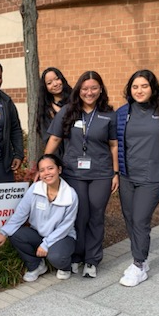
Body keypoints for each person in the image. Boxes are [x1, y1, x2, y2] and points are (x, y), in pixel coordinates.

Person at [45, 71, 118, 278]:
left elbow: (114, 145)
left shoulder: (108, 114)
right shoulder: (68, 111)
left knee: (96, 215)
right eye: (85, 88)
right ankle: (76, 256)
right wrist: (44, 167)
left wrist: (115, 172)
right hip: (73, 172)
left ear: (100, 89)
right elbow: (55, 140)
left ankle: (92, 259)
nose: (89, 92)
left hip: (101, 173)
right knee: (79, 215)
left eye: (94, 88)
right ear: (79, 89)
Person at [116, 70, 159, 287]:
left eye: (144, 86)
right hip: (127, 175)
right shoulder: (123, 113)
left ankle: (138, 264)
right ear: (129, 90)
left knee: (141, 220)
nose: (139, 90)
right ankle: (142, 257)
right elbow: (114, 144)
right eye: (135, 87)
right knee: (130, 218)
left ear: (153, 88)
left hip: (153, 176)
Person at [0, 154, 78, 282]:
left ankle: (65, 267)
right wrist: (3, 232)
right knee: (15, 234)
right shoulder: (35, 189)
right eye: (42, 170)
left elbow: (66, 226)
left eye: (50, 168)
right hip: (38, 234)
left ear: (59, 170)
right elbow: (21, 212)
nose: (46, 173)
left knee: (56, 257)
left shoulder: (70, 194)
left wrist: (46, 244)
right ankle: (36, 265)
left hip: (62, 237)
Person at [36, 67, 72, 147]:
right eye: (49, 83)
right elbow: (48, 137)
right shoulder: (45, 110)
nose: (55, 84)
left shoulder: (75, 101)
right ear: (45, 87)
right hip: (58, 153)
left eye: (57, 79)